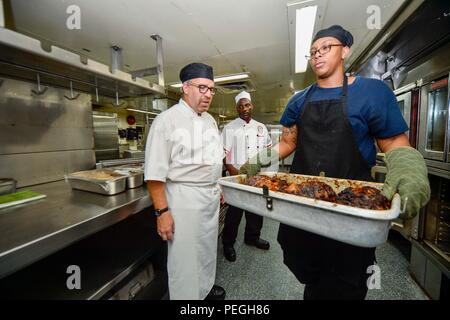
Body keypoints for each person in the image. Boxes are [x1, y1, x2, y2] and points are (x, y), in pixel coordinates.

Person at [240, 25, 430, 300]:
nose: (317, 55)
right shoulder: (298, 101)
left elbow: (393, 143)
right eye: (313, 51)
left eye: (326, 48)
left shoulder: (373, 93)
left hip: (351, 209)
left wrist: (409, 170)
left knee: (346, 279)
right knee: (307, 269)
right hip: (302, 206)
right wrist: (256, 161)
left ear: (345, 51)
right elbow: (288, 143)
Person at [144, 62, 226, 300]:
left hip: (209, 200)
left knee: (206, 252)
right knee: (185, 261)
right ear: (185, 87)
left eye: (211, 89)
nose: (208, 94)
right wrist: (163, 213)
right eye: (202, 88)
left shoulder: (210, 120)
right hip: (184, 202)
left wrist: (218, 185)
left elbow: (213, 159)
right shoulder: (166, 121)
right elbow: (154, 174)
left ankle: (204, 291)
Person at [221, 91, 272, 262]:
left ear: (252, 106)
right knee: (234, 213)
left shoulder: (261, 128)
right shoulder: (229, 128)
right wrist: (233, 172)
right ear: (237, 108)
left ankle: (252, 238)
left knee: (256, 210)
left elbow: (268, 151)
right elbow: (223, 155)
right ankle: (228, 243)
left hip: (256, 178)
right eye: (240, 106)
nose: (244, 109)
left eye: (247, 105)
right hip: (237, 178)